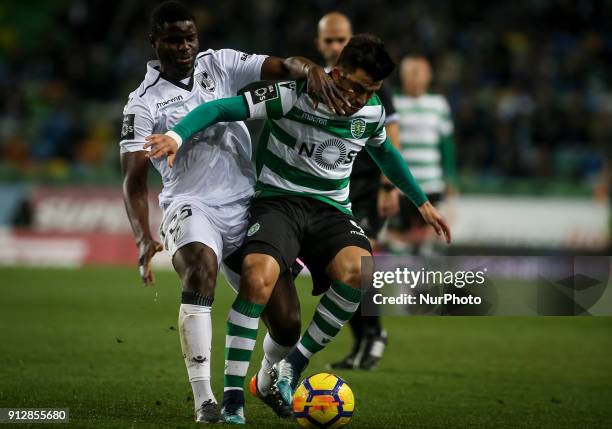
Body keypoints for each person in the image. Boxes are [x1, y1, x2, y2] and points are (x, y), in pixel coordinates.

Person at [146, 34, 451, 424]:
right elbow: (223, 108)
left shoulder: (371, 112)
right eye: (356, 87)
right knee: (258, 278)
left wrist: (421, 202)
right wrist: (176, 135)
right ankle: (233, 396)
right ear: (337, 73)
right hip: (278, 202)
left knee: (360, 272)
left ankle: (292, 365)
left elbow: (385, 153)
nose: (360, 98)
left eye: (370, 91)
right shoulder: (292, 95)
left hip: (330, 210)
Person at [120, 1, 349, 423]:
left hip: (248, 203)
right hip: (192, 204)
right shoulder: (141, 104)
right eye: (174, 39)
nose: (185, 46)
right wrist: (141, 235)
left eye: (190, 36)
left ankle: (264, 381)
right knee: (200, 272)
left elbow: (283, 66)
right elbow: (134, 180)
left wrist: (310, 69)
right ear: (155, 42)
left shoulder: (222, 64)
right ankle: (205, 398)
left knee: (286, 323)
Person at [315, 11, 400, 371]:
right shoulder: (315, 81)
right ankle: (360, 341)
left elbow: (391, 135)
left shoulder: (374, 83)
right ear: (319, 42)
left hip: (365, 187)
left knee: (358, 266)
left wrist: (387, 185)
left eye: (341, 40)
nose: (335, 46)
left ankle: (376, 333)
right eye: (329, 40)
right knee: (339, 272)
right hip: (329, 191)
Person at [388, 55, 457, 255]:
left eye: (419, 73)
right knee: (401, 241)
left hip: (431, 183)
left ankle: (422, 285)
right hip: (402, 185)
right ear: (402, 76)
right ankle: (405, 285)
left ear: (428, 76)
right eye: (411, 73)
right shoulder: (394, 103)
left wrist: (450, 177)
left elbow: (447, 143)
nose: (415, 78)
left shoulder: (438, 104)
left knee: (428, 241)